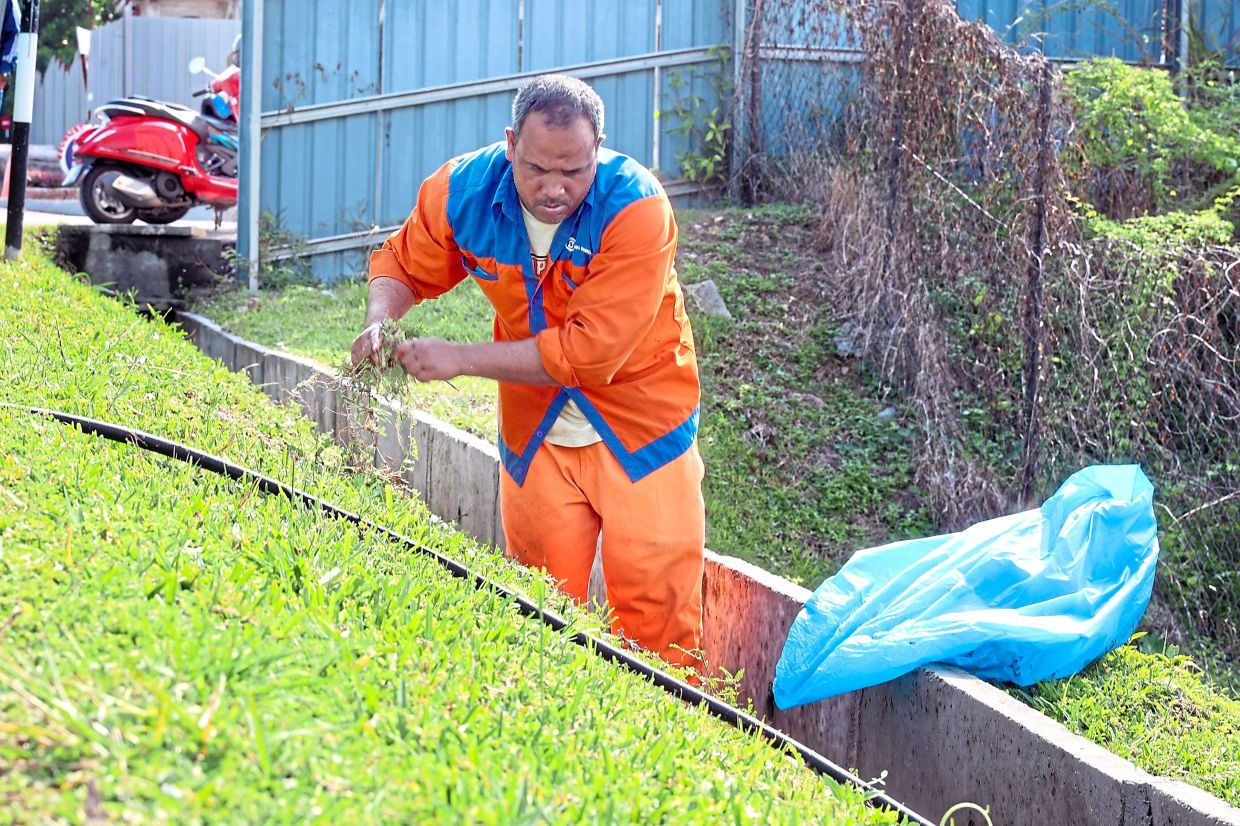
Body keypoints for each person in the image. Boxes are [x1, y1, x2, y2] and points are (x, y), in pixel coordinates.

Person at [354, 74, 705, 670]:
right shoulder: (461, 191)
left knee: (659, 629)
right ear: (511, 142)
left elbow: (589, 355)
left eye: (574, 172)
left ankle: (671, 747)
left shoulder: (638, 208)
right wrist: (379, 319)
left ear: (600, 149)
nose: (554, 189)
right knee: (540, 614)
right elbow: (404, 262)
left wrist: (460, 359)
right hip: (536, 431)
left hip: (643, 428)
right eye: (538, 168)